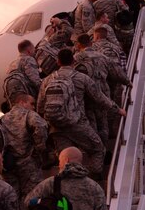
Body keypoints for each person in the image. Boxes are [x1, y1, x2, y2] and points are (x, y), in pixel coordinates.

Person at [37, 48, 126, 177]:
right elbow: (99, 98)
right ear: (73, 61)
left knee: (65, 158)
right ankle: (92, 178)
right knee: (98, 149)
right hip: (77, 124)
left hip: (56, 127)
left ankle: (67, 187)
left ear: (58, 62)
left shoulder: (47, 80)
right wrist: (117, 110)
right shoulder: (81, 78)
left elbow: (40, 106)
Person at [0, 92, 48, 202]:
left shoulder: (2, 119)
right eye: (31, 103)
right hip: (28, 163)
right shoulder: (29, 114)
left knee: (11, 198)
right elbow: (41, 126)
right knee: (34, 196)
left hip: (9, 164)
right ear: (22, 102)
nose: (33, 107)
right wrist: (39, 148)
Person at [4, 39, 41, 105]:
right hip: (27, 99)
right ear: (29, 51)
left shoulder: (12, 63)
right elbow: (35, 81)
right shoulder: (28, 59)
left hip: (14, 100)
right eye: (33, 49)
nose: (35, 51)